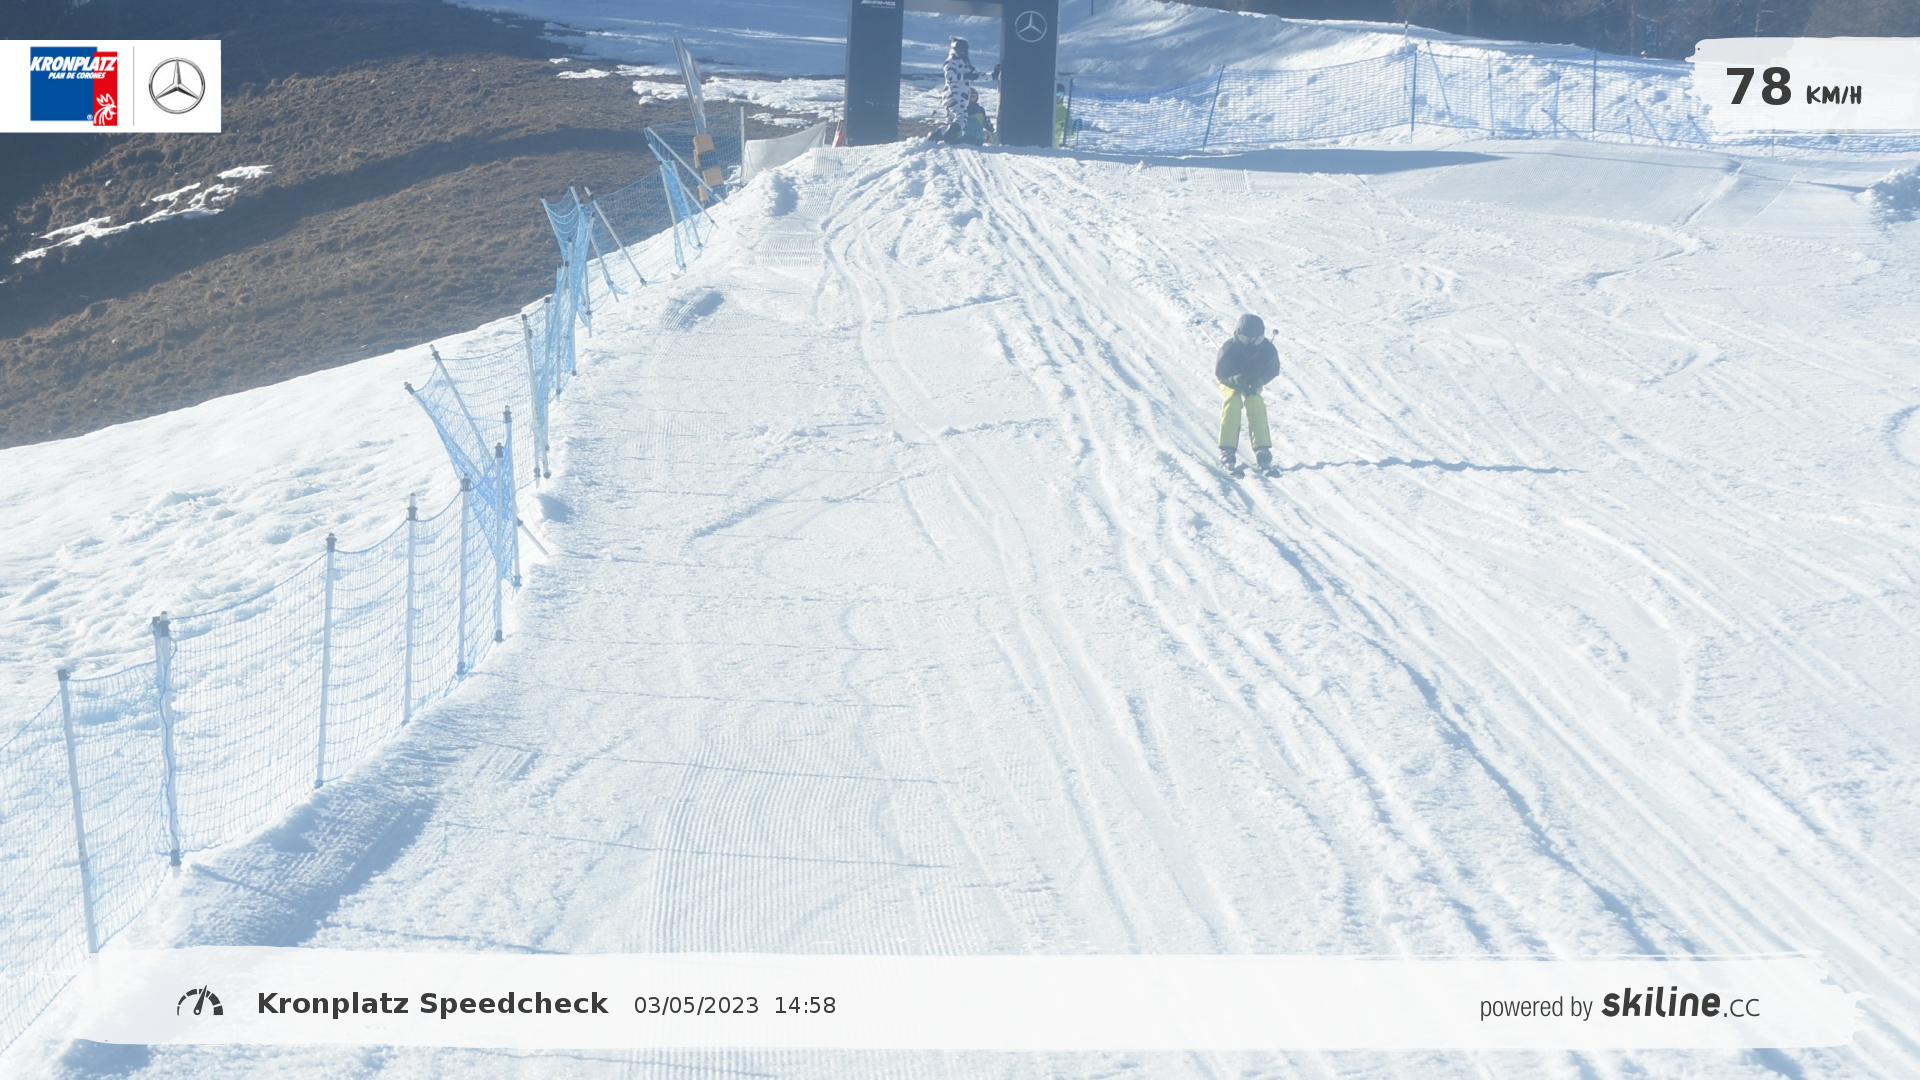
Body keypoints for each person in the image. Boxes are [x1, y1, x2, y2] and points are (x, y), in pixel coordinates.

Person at [1215, 313, 1280, 475]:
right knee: (1233, 400)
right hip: (1231, 380)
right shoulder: (1228, 349)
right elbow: (1221, 374)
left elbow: (1272, 370)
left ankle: (1262, 449)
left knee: (1254, 401)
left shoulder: (1267, 350)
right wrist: (1235, 380)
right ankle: (1227, 450)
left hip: (1253, 381)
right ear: (1237, 334)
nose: (1251, 344)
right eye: (1246, 339)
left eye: (1256, 340)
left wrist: (1259, 380)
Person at [941, 36, 992, 142]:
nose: (962, 51)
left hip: (960, 97)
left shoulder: (965, 63)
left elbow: (975, 75)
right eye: (960, 48)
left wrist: (992, 75)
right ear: (954, 48)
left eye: (964, 49)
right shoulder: (951, 61)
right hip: (954, 95)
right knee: (962, 117)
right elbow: (950, 76)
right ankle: (949, 138)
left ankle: (934, 138)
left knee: (950, 121)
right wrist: (966, 76)